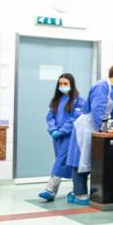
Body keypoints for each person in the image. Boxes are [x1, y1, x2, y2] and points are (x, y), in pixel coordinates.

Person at [66, 64, 113, 206]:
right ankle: (79, 193)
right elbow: (97, 109)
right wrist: (102, 126)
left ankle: (78, 190)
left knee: (92, 159)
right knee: (81, 160)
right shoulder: (102, 86)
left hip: (98, 126)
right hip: (87, 126)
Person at [38, 74, 85, 202]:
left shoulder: (79, 100)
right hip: (57, 137)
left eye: (65, 83)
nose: (62, 86)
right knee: (62, 162)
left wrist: (62, 130)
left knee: (60, 161)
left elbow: (75, 118)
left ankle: (50, 190)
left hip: (71, 136)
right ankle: (76, 191)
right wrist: (53, 129)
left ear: (71, 84)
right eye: (60, 84)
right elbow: (50, 116)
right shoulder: (56, 100)